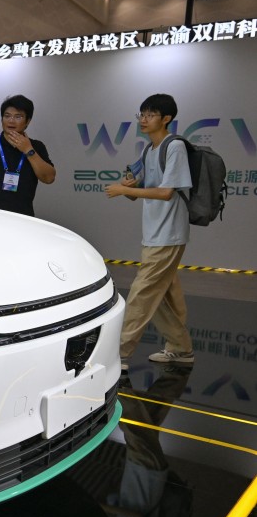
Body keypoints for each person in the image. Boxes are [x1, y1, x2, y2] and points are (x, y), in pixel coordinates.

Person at [105, 93, 194, 369]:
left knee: (142, 293)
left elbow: (167, 192)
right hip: (155, 232)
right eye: (141, 114)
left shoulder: (174, 146)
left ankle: (118, 354)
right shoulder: (148, 150)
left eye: (150, 115)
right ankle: (181, 349)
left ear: (166, 119)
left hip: (169, 233)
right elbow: (140, 193)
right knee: (163, 296)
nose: (143, 120)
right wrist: (127, 188)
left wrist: (124, 189)